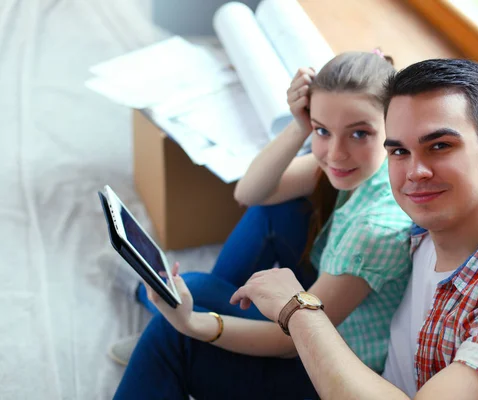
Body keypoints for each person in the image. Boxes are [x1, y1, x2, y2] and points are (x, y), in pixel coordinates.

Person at [230, 58, 478, 400]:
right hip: (362, 368)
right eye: (399, 150)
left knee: (178, 340)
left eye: (440, 146)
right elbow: (251, 192)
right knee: (194, 300)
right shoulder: (451, 198)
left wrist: (297, 308)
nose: (416, 172)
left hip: (360, 379)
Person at [112, 51, 414, 399]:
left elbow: (289, 343)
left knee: (175, 332)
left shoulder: (373, 227)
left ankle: (162, 322)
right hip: (318, 317)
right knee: (273, 214)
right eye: (322, 130)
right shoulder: (370, 164)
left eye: (359, 133)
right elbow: (251, 192)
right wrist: (299, 126)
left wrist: (194, 325)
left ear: (393, 125)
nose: (335, 153)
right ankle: (168, 318)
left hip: (327, 370)